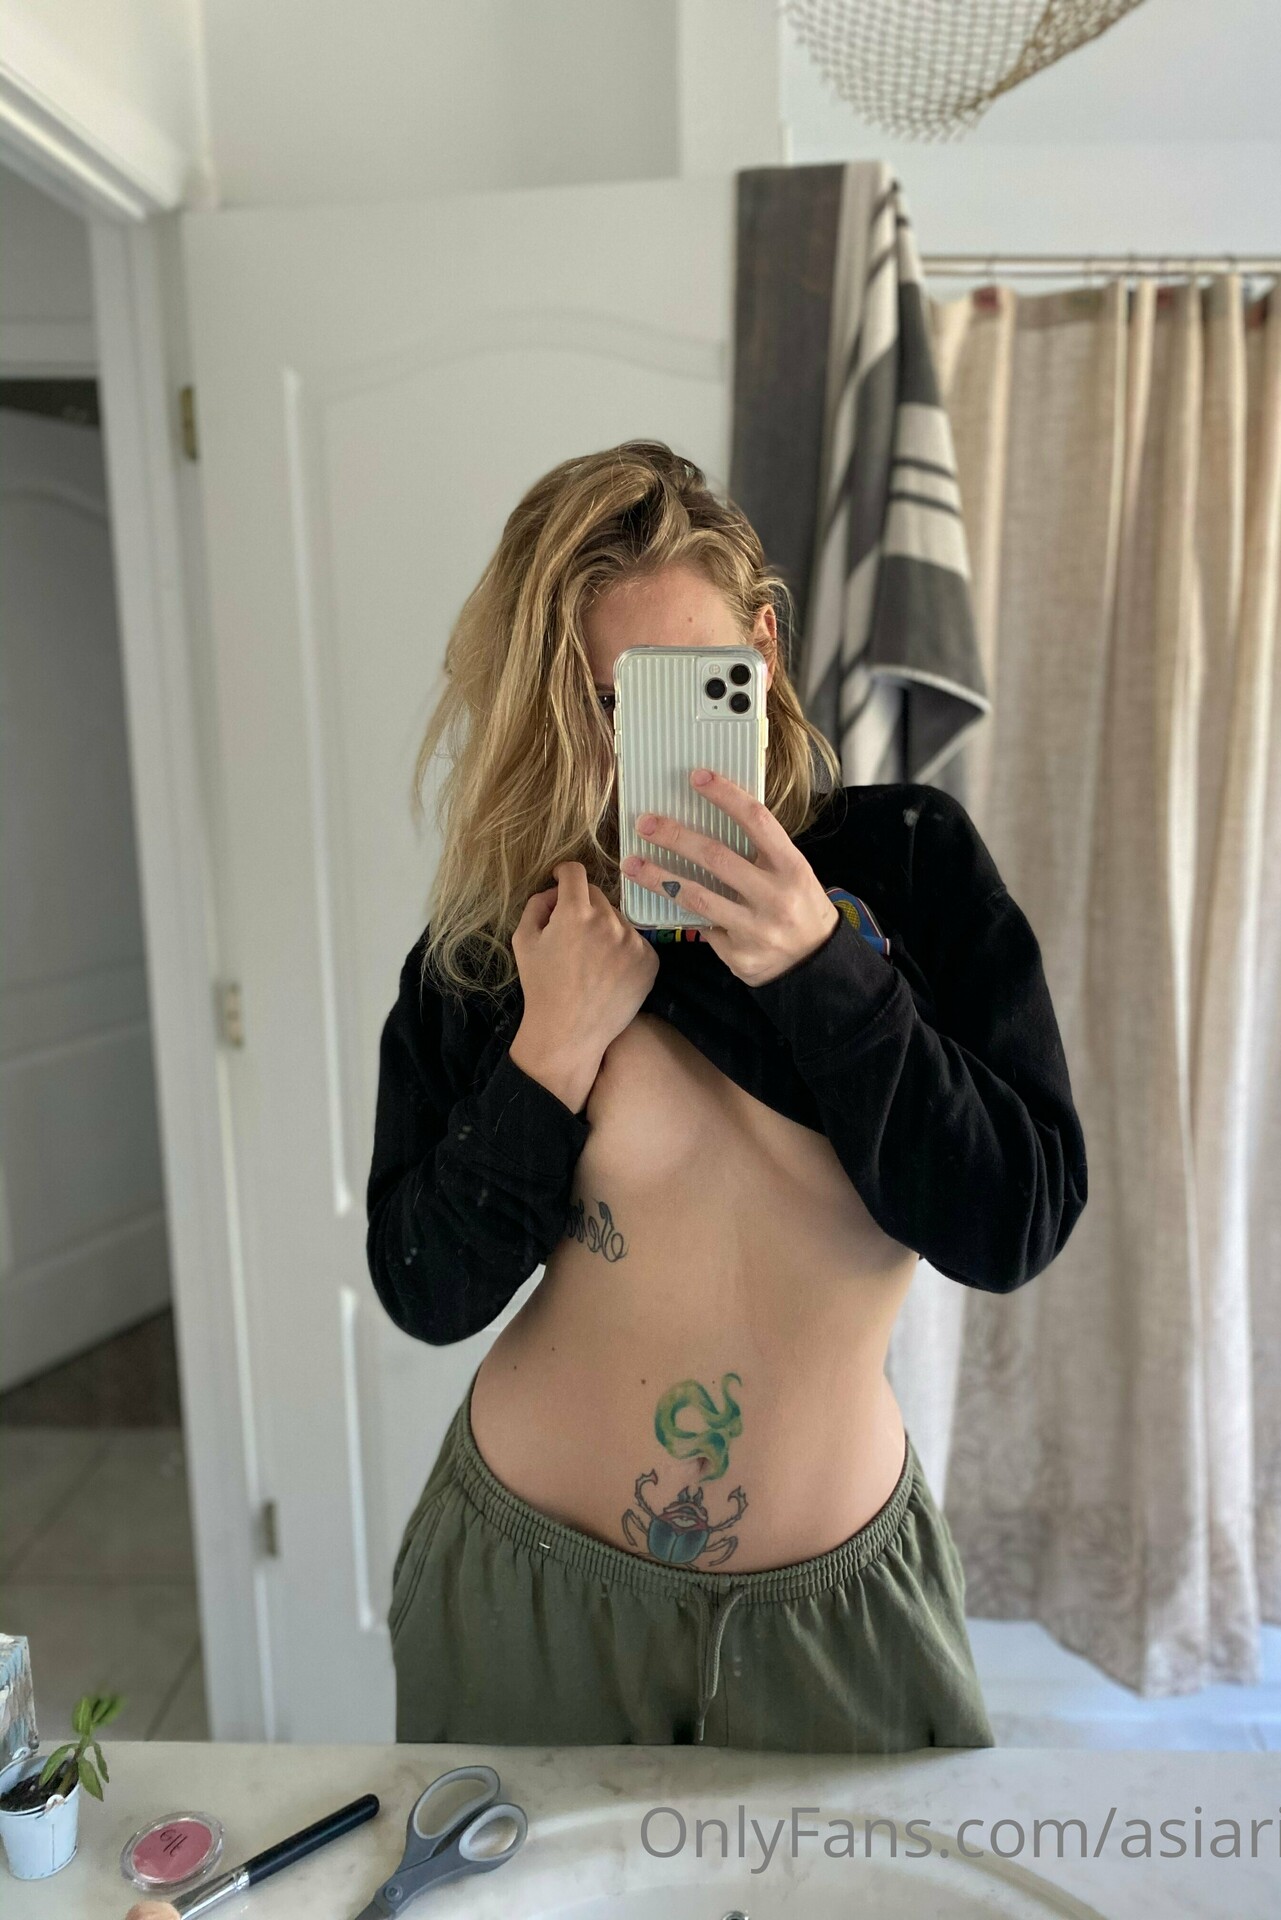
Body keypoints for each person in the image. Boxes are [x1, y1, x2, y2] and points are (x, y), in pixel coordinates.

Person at [366, 440, 1086, 1751]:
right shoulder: (512, 936)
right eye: (602, 704)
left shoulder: (908, 864)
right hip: (528, 1589)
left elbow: (1013, 1219)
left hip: (841, 1618)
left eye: (684, 687)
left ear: (761, 649)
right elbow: (426, 1290)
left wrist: (825, 969)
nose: (642, 745)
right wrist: (551, 1053)